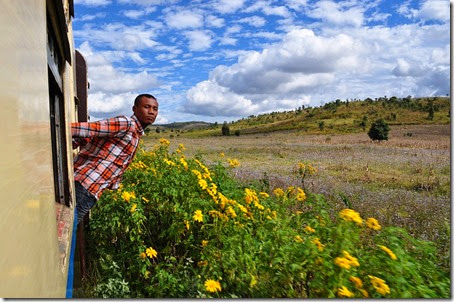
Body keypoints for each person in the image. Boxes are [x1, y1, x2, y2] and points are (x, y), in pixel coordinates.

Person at [71, 94, 158, 224]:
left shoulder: (135, 134)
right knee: (67, 229)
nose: (151, 112)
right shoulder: (127, 124)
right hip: (86, 185)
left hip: (91, 189)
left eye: (155, 109)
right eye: (147, 107)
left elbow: (94, 138)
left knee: (68, 227)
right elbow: (92, 128)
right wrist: (57, 129)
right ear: (134, 109)